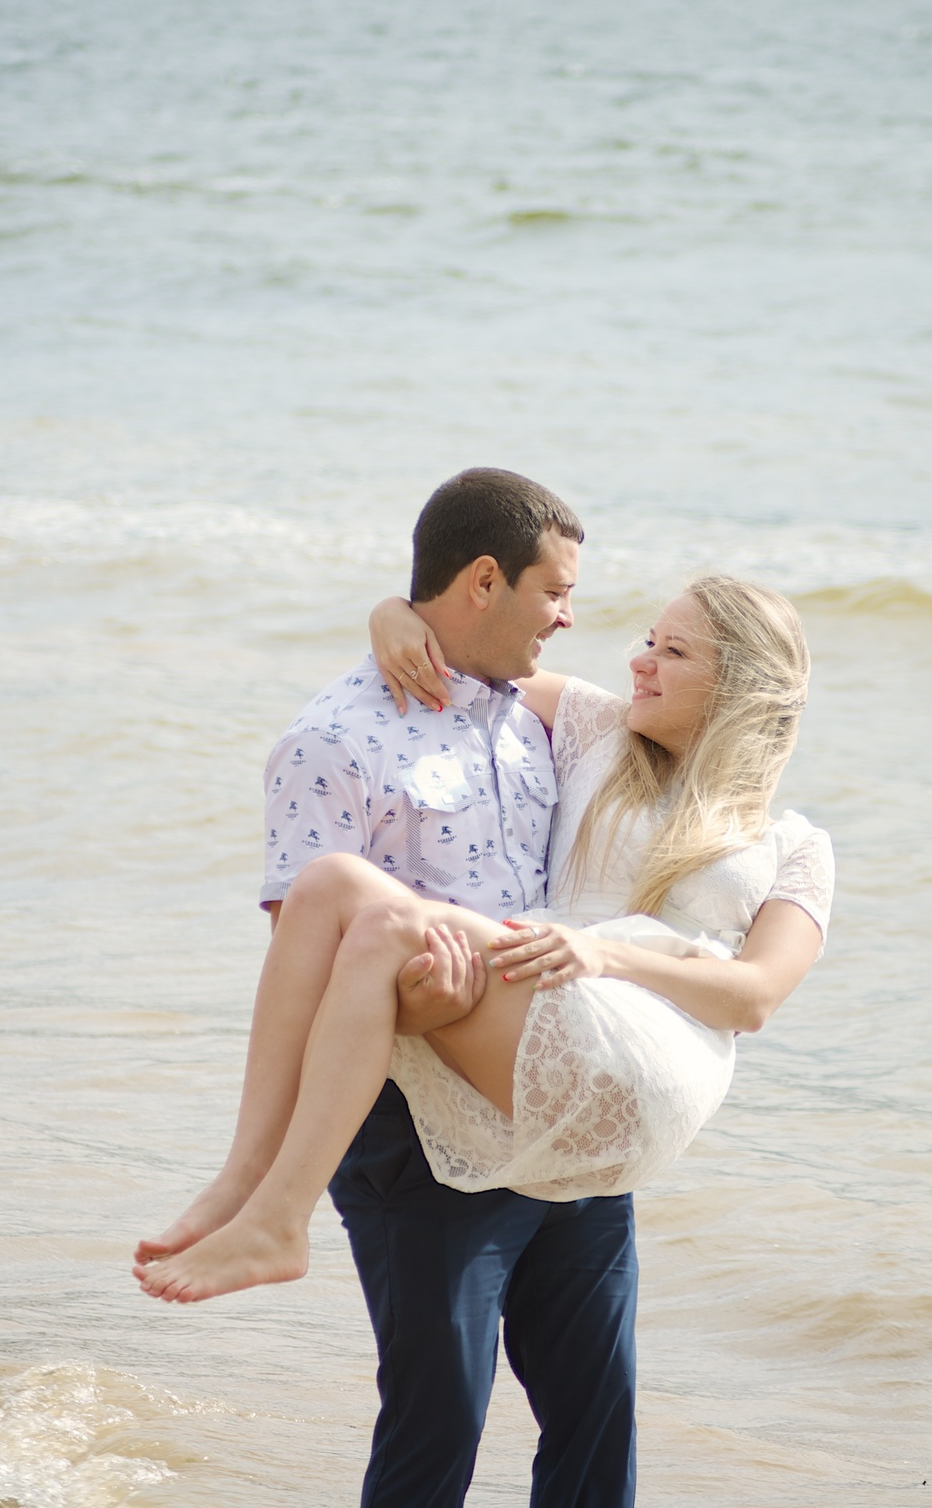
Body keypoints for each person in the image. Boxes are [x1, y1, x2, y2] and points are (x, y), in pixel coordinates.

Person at [137, 472, 834, 1508]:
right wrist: (390, 615)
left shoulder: (794, 845)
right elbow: (468, 644)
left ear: (739, 685)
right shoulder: (602, 735)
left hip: (630, 1055)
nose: (634, 654)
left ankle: (264, 1197)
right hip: (536, 1040)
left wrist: (611, 955)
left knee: (353, 900)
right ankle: (261, 1195)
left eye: (672, 649)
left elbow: (756, 995)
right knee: (554, 1413)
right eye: (645, 634)